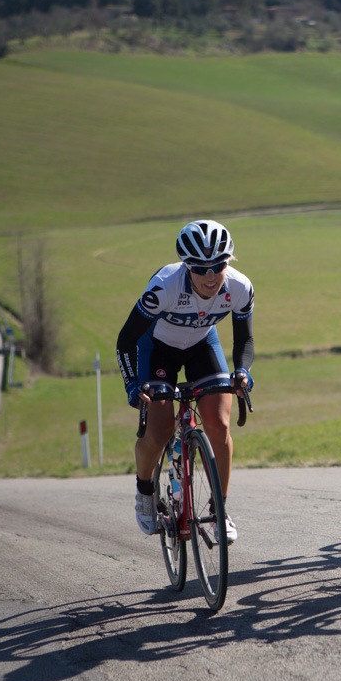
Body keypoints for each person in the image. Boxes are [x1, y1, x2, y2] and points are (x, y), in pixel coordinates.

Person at [116, 220, 255, 543]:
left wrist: (243, 371)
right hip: (157, 349)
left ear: (228, 262)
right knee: (160, 428)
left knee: (219, 425)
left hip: (203, 346)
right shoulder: (164, 286)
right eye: (200, 268)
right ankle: (145, 491)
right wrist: (132, 384)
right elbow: (126, 339)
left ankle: (218, 510)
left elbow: (244, 340)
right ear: (186, 266)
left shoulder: (240, 287)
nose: (210, 276)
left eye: (218, 266)